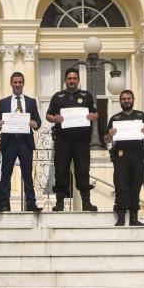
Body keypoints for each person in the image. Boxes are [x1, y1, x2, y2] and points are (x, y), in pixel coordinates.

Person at [46, 67, 99, 212]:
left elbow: (95, 113)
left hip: (82, 141)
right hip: (63, 140)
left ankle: (86, 203)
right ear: (65, 80)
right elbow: (48, 115)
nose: (72, 81)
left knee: (83, 170)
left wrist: (95, 115)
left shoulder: (86, 95)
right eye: (69, 78)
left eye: (74, 78)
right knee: (61, 171)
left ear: (78, 80)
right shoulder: (58, 97)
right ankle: (59, 203)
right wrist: (54, 118)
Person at [0, 72, 43, 212]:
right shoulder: (3, 102)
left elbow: (38, 121)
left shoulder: (31, 101)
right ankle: (3, 204)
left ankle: (31, 204)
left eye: (20, 82)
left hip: (25, 142)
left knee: (27, 174)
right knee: (6, 174)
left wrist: (35, 124)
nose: (18, 85)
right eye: (15, 82)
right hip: (9, 142)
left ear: (23, 83)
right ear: (11, 83)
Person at [104, 89, 144, 225]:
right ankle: (120, 217)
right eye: (123, 99)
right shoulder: (115, 118)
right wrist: (110, 134)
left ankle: (134, 218)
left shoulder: (141, 115)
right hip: (121, 156)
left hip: (137, 155)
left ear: (133, 99)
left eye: (128, 98)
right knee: (121, 186)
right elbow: (106, 140)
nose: (126, 101)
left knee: (136, 186)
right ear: (120, 101)